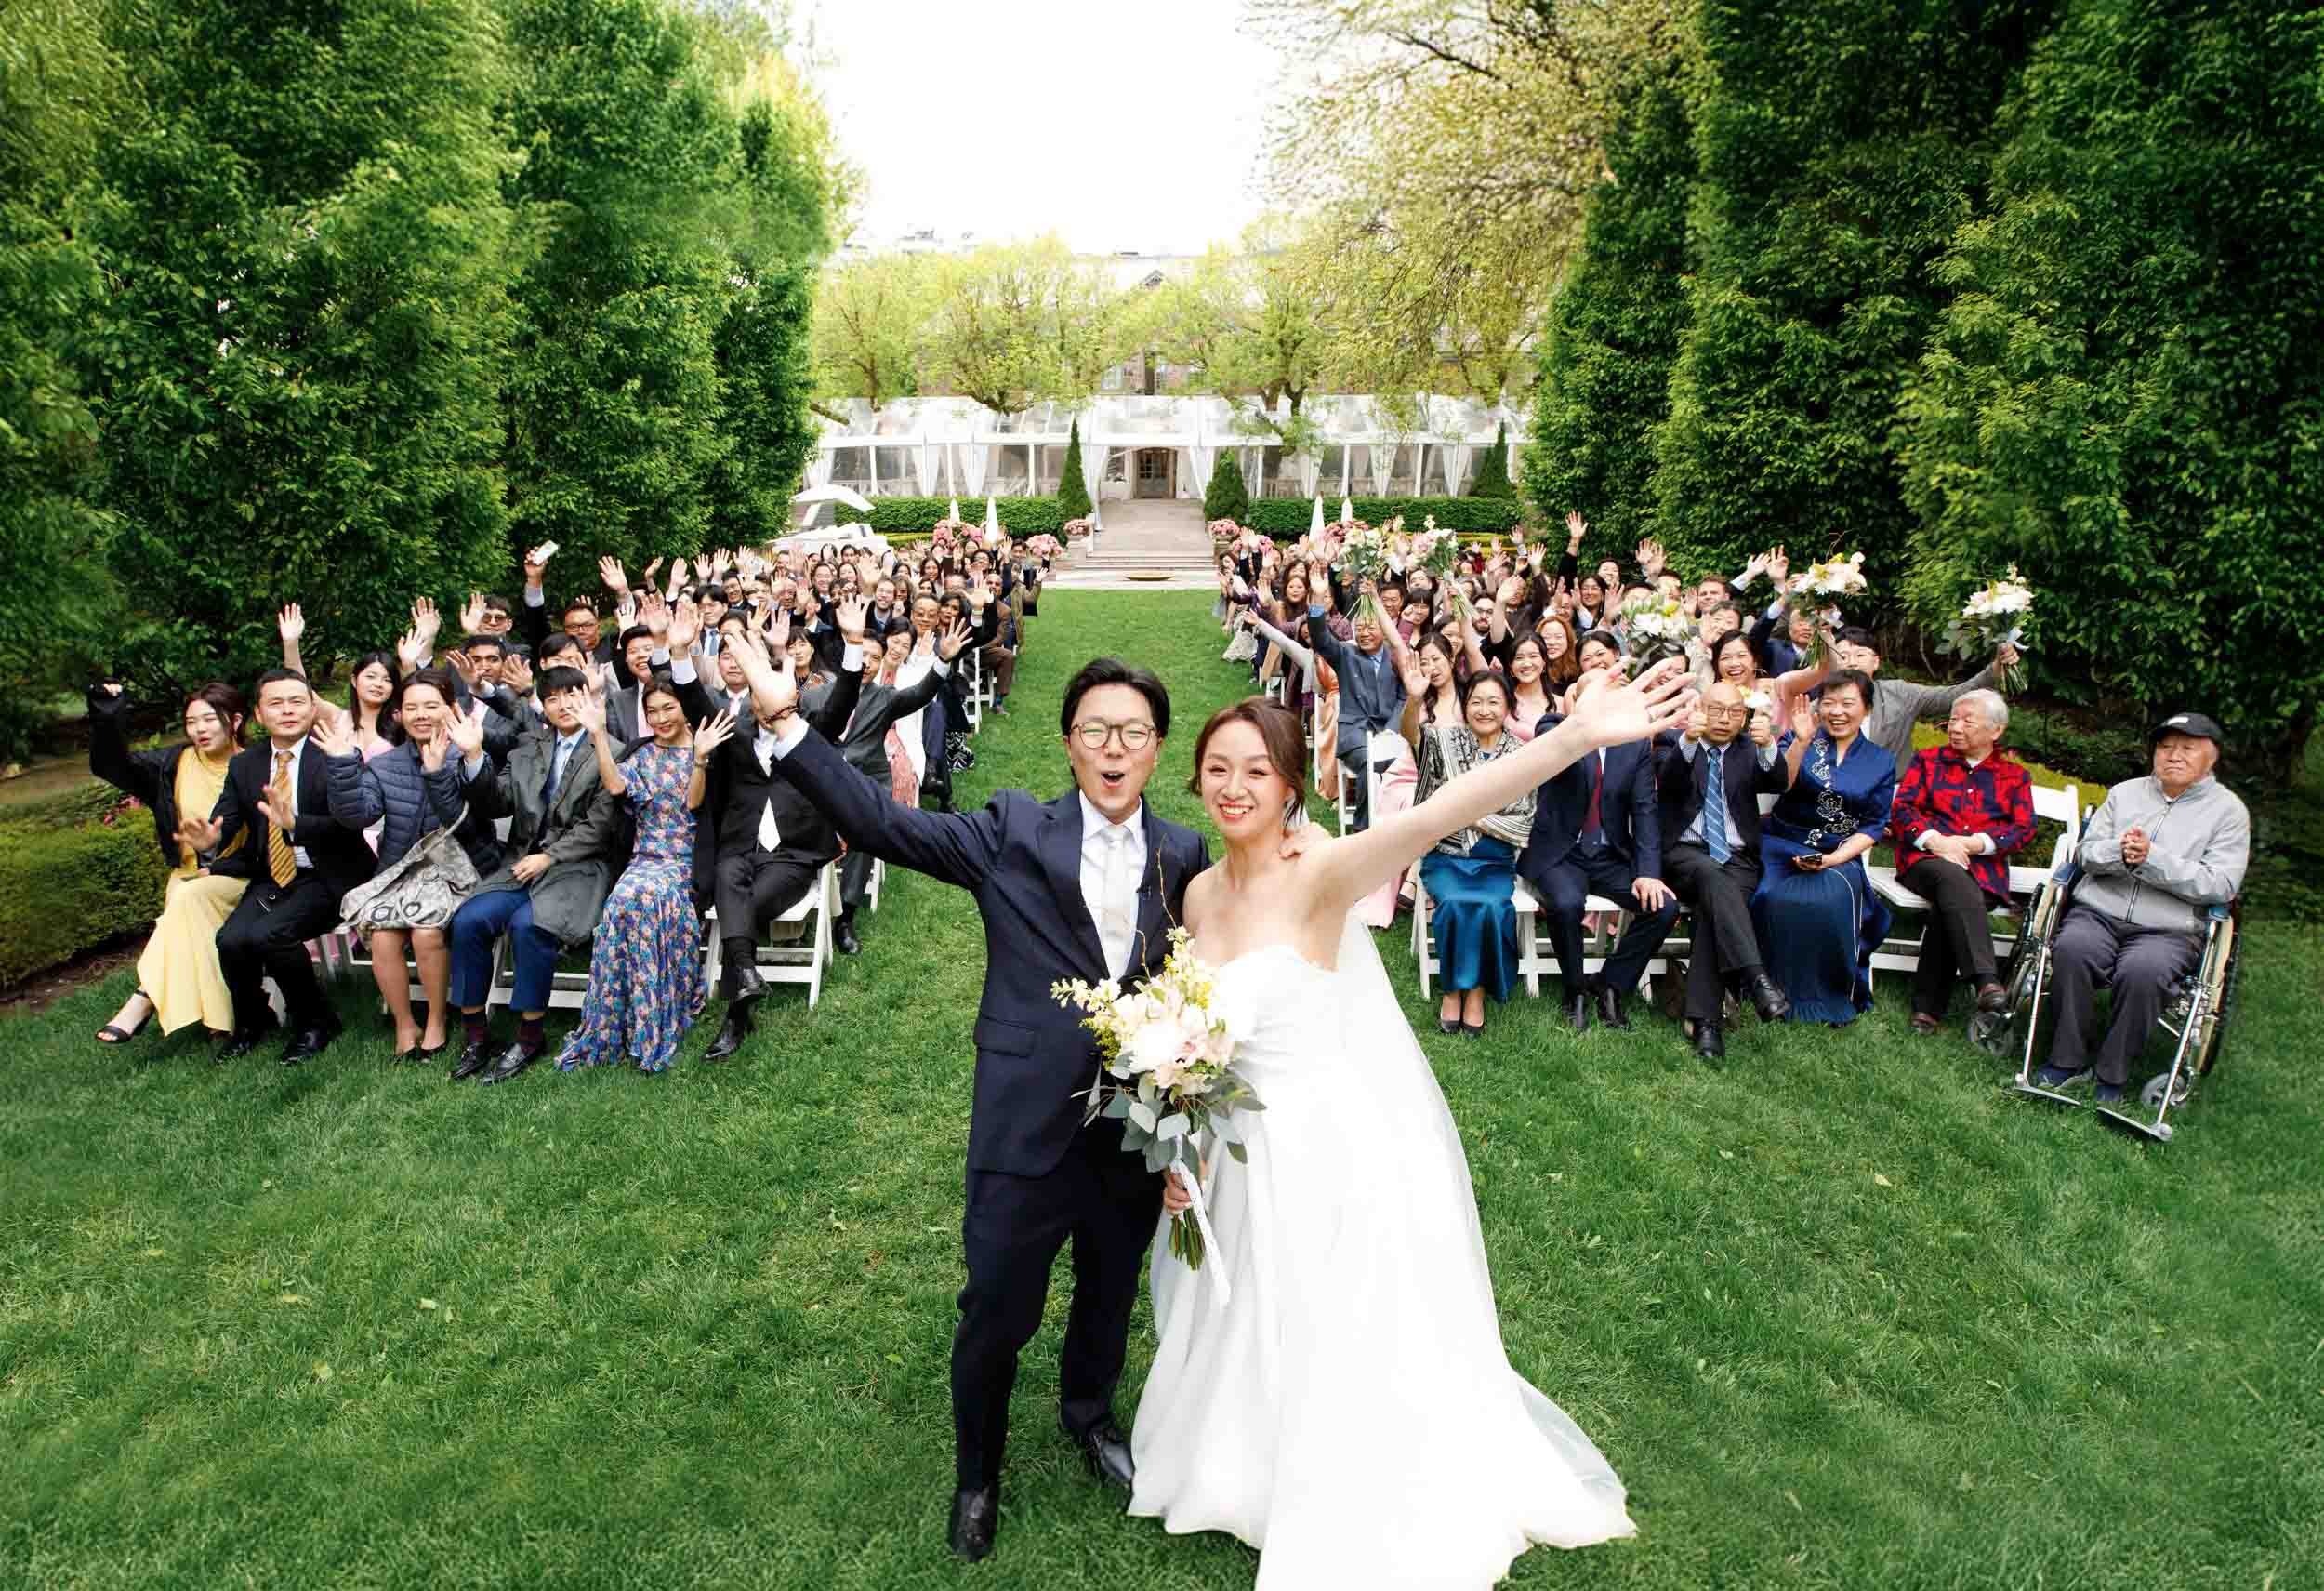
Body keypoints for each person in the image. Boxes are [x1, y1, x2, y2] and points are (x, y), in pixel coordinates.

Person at [1130, 663, 1694, 1587]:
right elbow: (1196, 1033)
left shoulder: (1318, 873)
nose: (1234, 788)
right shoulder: (1195, 896)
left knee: (1326, 1323)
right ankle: (1239, 1454)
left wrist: (1572, 738)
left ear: (1288, 789)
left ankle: (1337, 1475)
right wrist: (1175, 1129)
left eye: (1255, 773)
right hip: (1234, 1152)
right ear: (1196, 778)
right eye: (1218, 769)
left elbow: (1436, 814)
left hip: (1319, 1144)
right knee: (1247, 1314)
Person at [747, 656, 1242, 1564]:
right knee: (996, 1309)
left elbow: (1199, 994)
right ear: (1068, 742)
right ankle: (978, 1473)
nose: (1113, 747)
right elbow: (879, 822)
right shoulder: (1011, 829)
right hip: (1022, 1121)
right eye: (1095, 729)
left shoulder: (1183, 855)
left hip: (1130, 1132)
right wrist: (785, 722)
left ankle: (1089, 1418)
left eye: (1133, 731)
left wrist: (1185, 1130)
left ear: (1158, 746)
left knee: (1108, 1293)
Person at [2031, 712, 2249, 1102]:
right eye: (2165, 747)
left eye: (2187, 748)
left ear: (2210, 758)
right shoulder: (2125, 793)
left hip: (2171, 928)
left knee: (2143, 971)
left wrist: (2154, 860)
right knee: (2073, 949)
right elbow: (2086, 852)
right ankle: (2066, 1061)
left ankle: (2111, 1075)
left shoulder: (2229, 813)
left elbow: (2221, 883)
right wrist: (2122, 853)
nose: (2173, 756)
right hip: (2099, 911)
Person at [688, 608, 865, 1063]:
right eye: (756, 705)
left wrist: (854, 640)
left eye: (771, 705)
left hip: (793, 854)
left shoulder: (808, 736)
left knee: (742, 908)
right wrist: (676, 652)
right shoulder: (737, 733)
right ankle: (744, 984)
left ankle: (737, 1011)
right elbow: (695, 703)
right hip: (740, 847)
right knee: (729, 878)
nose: (763, 711)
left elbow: (844, 698)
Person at [176, 670, 377, 1064]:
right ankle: (254, 1021)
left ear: (312, 707)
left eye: (296, 701)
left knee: (273, 935)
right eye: (276, 703)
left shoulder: (335, 754)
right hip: (276, 876)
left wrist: (297, 826)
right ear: (258, 713)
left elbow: (352, 823)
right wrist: (210, 843)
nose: (287, 711)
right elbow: (225, 820)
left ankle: (316, 1021)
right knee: (231, 940)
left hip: (333, 875)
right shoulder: (246, 765)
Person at [446, 665, 627, 1083]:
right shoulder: (530, 745)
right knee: (470, 920)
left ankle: (529, 1035)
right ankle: (476, 1033)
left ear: (589, 699)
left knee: (531, 926)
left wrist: (550, 857)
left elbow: (600, 826)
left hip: (577, 866)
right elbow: (498, 801)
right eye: (553, 698)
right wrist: (474, 758)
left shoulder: (611, 750)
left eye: (573, 696)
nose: (563, 705)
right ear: (543, 706)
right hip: (522, 863)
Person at [552, 678, 733, 1075]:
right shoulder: (643, 753)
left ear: (684, 708)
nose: (660, 717)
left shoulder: (707, 748)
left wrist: (700, 759)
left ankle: (657, 1019)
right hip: (644, 860)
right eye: (652, 711)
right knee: (620, 905)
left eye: (668, 708)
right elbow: (616, 785)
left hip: (685, 863)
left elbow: (694, 803)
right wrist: (598, 733)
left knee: (647, 900)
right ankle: (611, 1023)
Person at [320, 670, 503, 1060]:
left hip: (462, 868)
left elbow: (468, 823)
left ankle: (437, 1019)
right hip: (403, 872)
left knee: (425, 932)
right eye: (412, 707)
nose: (422, 715)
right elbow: (358, 817)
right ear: (398, 715)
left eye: (431, 706)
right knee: (384, 935)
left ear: (449, 709)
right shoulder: (385, 765)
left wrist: (437, 772)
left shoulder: (466, 753)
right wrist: (340, 766)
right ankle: (405, 1023)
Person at [86, 680, 252, 1045]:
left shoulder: (254, 764)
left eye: (209, 720)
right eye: (192, 722)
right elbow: (110, 766)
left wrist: (216, 857)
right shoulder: (172, 764)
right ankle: (220, 1021)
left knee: (190, 898)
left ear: (235, 720)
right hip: (188, 874)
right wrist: (108, 713)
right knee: (187, 895)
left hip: (243, 874)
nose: (199, 730)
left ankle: (144, 998)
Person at [1518, 683, 1678, 1033]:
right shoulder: (1554, 728)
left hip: (1609, 854)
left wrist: (1649, 871)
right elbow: (1551, 740)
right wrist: (1578, 719)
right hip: (1562, 852)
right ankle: (1574, 990)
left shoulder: (1633, 745)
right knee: (1566, 903)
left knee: (1663, 907)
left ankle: (1611, 984)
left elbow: (1645, 810)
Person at [1656, 680, 1793, 1060]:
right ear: (1701, 707)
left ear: (1744, 716)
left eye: (1735, 712)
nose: (1725, 719)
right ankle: (1755, 978)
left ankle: (1705, 1023)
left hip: (1738, 857)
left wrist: (1769, 745)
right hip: (1685, 853)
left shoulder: (1749, 749)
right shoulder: (1676, 741)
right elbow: (1666, 785)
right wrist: (1687, 741)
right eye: (1717, 709)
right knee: (1712, 878)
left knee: (1711, 912)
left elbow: (1778, 782)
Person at [1751, 671, 1897, 1026]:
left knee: (1830, 900)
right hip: (1781, 844)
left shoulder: (1880, 761)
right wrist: (1800, 743)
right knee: (1772, 898)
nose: (1837, 712)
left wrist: (1832, 859)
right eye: (1828, 703)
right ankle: (1767, 990)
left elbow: (1872, 827)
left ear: (1865, 708)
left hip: (1838, 854)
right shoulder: (1802, 738)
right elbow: (1779, 784)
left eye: (1848, 703)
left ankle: (1827, 996)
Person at [1884, 689, 2035, 1031]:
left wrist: (1976, 843)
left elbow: (2023, 829)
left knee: (1950, 904)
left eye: (1968, 720)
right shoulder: (1928, 760)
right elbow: (1902, 808)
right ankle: (1985, 980)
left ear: (1996, 731)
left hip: (1981, 871)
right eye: (1953, 719)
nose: (1956, 727)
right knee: (1951, 880)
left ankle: (1927, 1010)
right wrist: (1935, 840)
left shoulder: (2014, 777)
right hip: (1925, 861)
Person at [1412, 670, 1535, 1035]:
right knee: (1454, 903)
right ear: (1464, 707)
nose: (1484, 709)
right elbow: (1410, 734)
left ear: (1508, 707)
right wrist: (1414, 700)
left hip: (1493, 861)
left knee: (1493, 907)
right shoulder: (1445, 741)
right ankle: (1453, 989)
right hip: (1446, 856)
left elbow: (1523, 819)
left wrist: (1469, 813)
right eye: (1476, 701)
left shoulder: (1521, 755)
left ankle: (1477, 991)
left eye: (1493, 701)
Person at [1305, 557, 1407, 830]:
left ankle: (1398, 825)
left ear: (1384, 632)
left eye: (1371, 627)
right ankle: (1365, 829)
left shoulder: (1395, 659)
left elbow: (1403, 698)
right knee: (1372, 763)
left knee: (1400, 760)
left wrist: (1393, 730)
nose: (1364, 633)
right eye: (1359, 628)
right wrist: (1317, 596)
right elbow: (1321, 639)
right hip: (1356, 737)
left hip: (1390, 731)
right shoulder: (1345, 654)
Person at [1832, 625, 2021, 769]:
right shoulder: (1823, 704)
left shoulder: (1899, 693)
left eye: (1860, 655)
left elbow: (1952, 697)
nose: (1852, 663)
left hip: (1891, 794)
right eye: (1844, 656)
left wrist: (1996, 667)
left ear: (1876, 662)